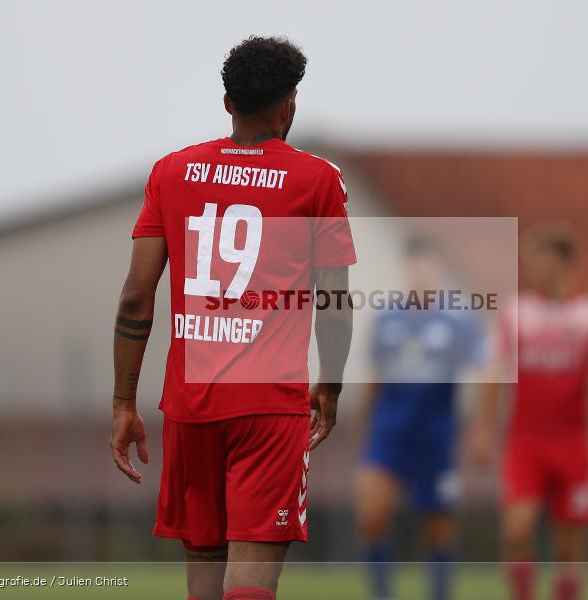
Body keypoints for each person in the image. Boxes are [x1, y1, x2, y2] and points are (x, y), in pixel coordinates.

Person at [109, 36, 356, 600]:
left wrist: (124, 402)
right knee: (251, 585)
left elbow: (133, 297)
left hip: (191, 407)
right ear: (289, 103)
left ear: (227, 103)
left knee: (202, 583)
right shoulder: (317, 180)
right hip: (269, 406)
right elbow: (334, 302)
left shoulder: (171, 172)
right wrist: (332, 384)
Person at [471, 221, 588, 600]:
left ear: (561, 262)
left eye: (536, 259)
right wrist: (483, 428)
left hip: (574, 442)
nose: (528, 268)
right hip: (525, 441)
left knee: (568, 545)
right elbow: (493, 371)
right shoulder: (515, 313)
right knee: (517, 529)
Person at [356, 235, 485, 600]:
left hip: (435, 437)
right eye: (413, 265)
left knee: (438, 530)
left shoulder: (459, 320)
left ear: (438, 269)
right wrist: (363, 424)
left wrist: (479, 426)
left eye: (426, 265)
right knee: (371, 518)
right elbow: (374, 377)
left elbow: (485, 369)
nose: (419, 274)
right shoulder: (386, 318)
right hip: (388, 434)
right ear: (405, 268)